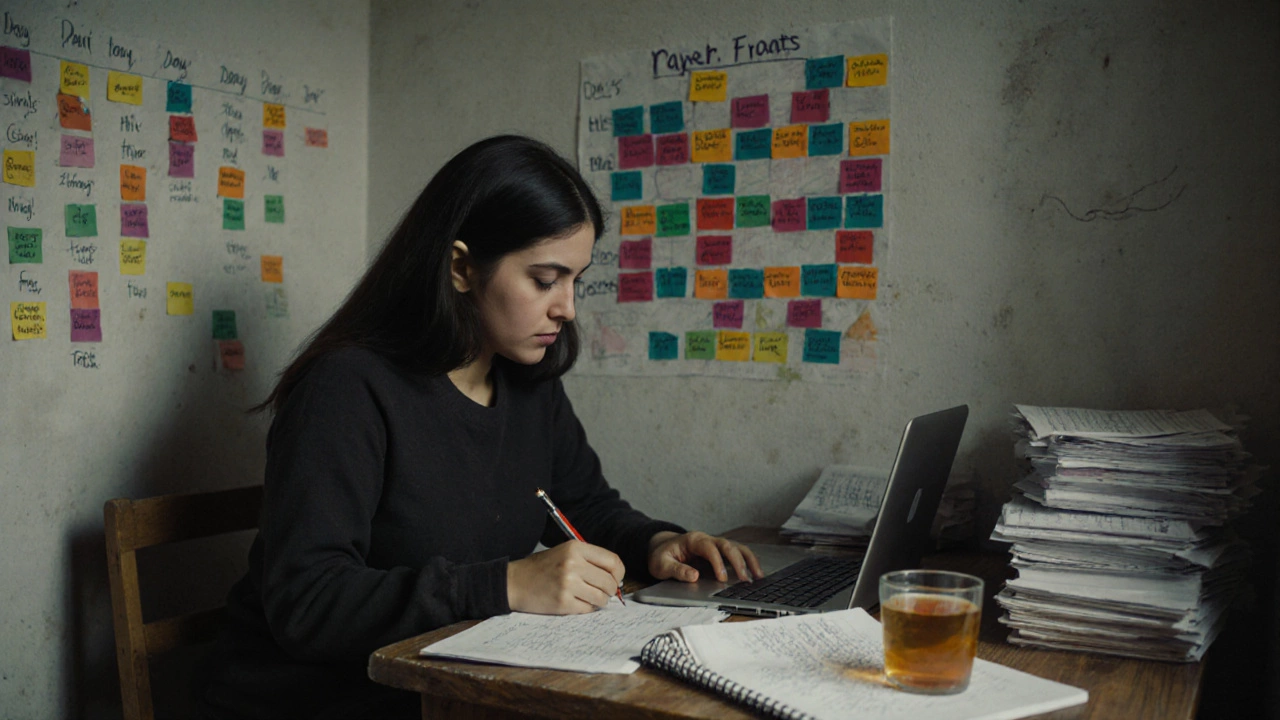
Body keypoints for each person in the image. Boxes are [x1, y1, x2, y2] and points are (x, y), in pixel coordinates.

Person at [198, 135, 763, 719]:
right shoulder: (346, 388)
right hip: (308, 703)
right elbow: (307, 601)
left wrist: (656, 544)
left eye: (575, 280)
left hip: (448, 692)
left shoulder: (528, 382)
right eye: (545, 280)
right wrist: (506, 586)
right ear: (461, 267)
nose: (567, 307)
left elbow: (586, 506)